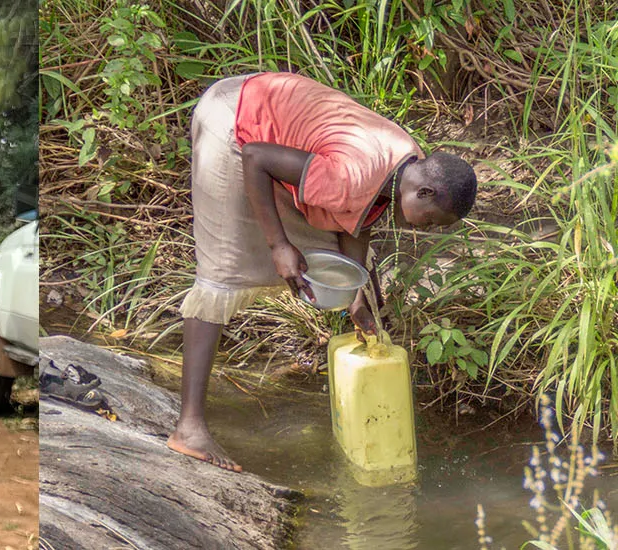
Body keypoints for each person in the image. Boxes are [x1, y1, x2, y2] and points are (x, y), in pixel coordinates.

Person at [171, 71, 477, 472]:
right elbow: (256, 158)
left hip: (266, 117)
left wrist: (356, 298)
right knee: (222, 269)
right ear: (424, 193)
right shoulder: (350, 177)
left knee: (322, 251)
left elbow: (360, 217)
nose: (428, 230)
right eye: (434, 221)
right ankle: (188, 427)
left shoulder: (406, 164)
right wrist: (279, 246)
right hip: (232, 120)